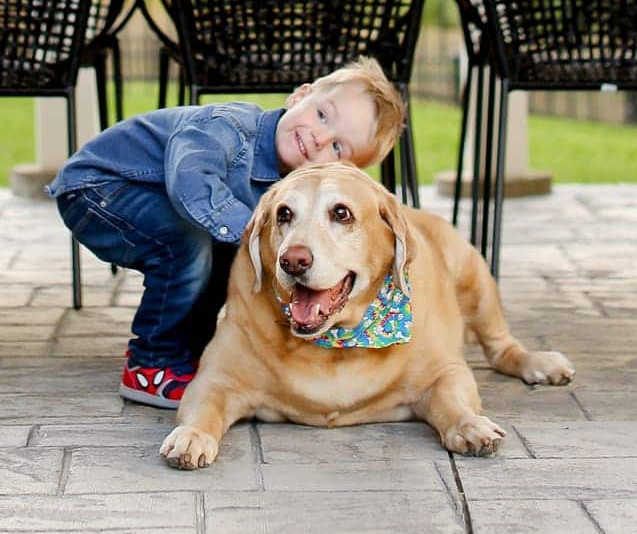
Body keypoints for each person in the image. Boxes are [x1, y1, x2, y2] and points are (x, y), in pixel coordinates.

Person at [49, 58, 406, 407]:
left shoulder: (288, 192)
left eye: (337, 148)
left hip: (149, 201)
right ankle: (151, 363)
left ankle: (191, 351)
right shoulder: (229, 126)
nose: (318, 138)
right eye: (322, 115)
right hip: (98, 189)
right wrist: (256, 236)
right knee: (184, 245)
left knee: (228, 258)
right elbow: (190, 180)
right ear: (300, 96)